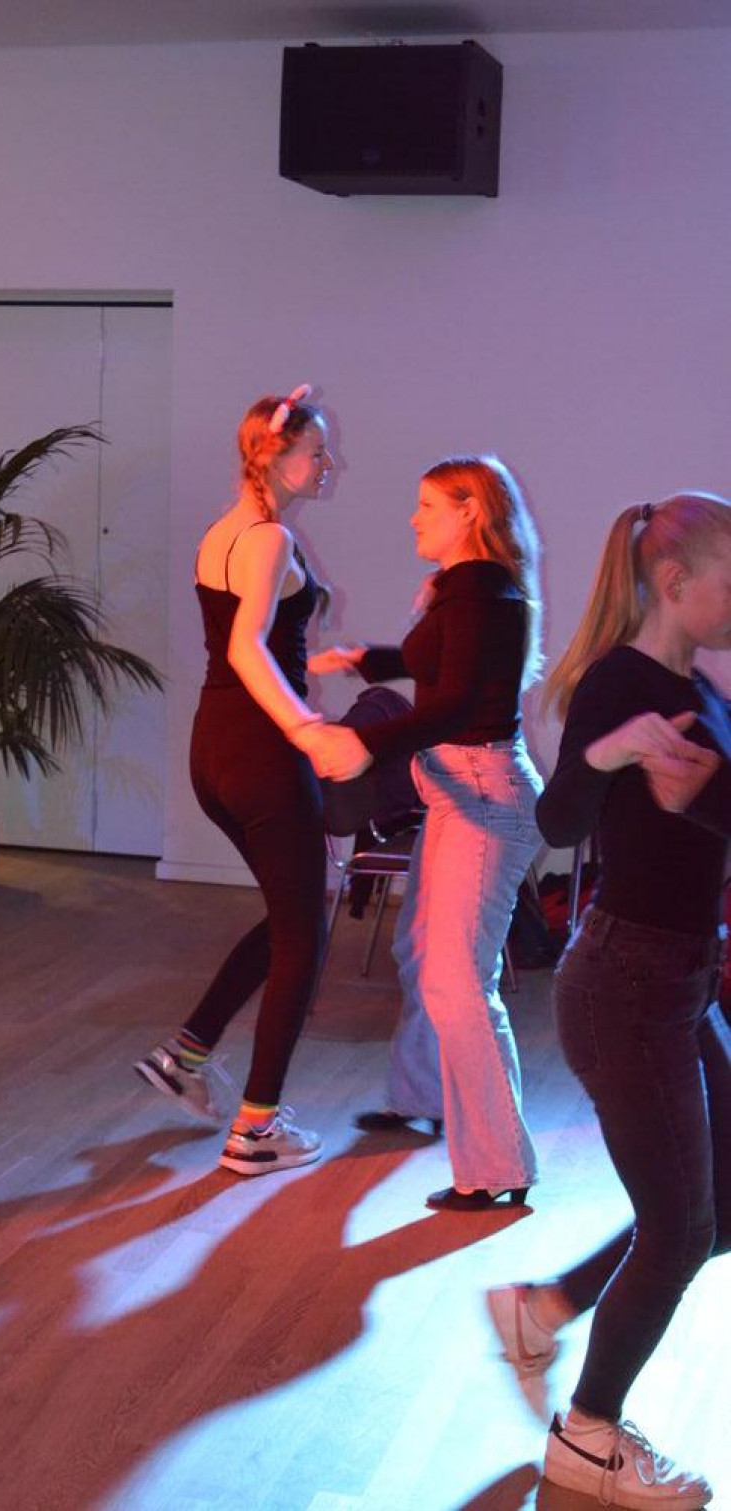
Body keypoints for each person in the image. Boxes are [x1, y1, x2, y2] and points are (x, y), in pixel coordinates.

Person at [486, 494, 731, 1509]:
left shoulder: (699, 685)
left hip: (680, 979)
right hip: (627, 984)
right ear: (675, 582)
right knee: (678, 1228)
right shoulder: (620, 684)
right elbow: (556, 819)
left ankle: (542, 1308)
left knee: (719, 1204)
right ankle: (586, 1434)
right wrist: (606, 748)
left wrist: (701, 792)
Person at [135, 386, 367, 1176]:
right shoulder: (268, 538)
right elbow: (245, 648)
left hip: (217, 749)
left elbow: (254, 642)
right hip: (263, 752)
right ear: (273, 454)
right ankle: (256, 1129)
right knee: (306, 931)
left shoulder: (222, 533)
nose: (328, 463)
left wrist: (317, 660)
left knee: (290, 912)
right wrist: (305, 726)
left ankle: (186, 1054)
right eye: (316, 451)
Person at [310, 455, 544, 1211]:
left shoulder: (483, 594)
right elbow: (439, 669)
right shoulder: (466, 590)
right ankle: (422, 1099)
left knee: (459, 981)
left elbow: (454, 706)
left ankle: (499, 1166)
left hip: (482, 795)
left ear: (469, 510)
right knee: (423, 954)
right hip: (459, 789)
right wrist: (366, 660)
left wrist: (363, 744)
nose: (414, 518)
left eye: (428, 505)